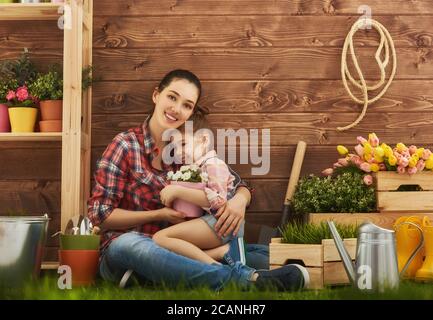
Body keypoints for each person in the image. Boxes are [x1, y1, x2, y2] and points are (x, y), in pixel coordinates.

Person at [87, 69, 309, 291]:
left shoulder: (187, 149)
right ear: (156, 95)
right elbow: (101, 215)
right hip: (130, 249)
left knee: (261, 254)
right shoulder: (125, 146)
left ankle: (180, 275)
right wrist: (159, 214)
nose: (176, 109)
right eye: (172, 97)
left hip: (180, 248)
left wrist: (240, 200)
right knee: (130, 246)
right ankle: (242, 280)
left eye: (187, 105)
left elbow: (235, 182)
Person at [153, 115, 247, 265]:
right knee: (180, 248)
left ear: (204, 140)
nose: (178, 152)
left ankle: (218, 270)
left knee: (160, 238)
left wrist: (177, 191)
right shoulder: (198, 167)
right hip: (214, 223)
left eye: (183, 144)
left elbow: (219, 201)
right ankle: (222, 253)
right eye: (174, 148)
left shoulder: (213, 164)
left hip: (223, 224)